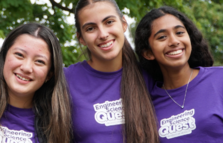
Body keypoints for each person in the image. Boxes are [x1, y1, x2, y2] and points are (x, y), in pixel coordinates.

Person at [135, 6, 223, 142]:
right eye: (162, 37)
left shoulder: (222, 80)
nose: (174, 41)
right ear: (148, 53)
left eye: (179, 33)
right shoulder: (146, 104)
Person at [0, 23, 72, 143]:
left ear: (49, 73)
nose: (26, 67)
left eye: (39, 61)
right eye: (19, 55)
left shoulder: (60, 124)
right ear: (4, 56)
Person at [64, 0, 159, 142]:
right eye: (90, 28)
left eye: (109, 22)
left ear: (123, 24)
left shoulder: (151, 75)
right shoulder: (65, 80)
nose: (102, 34)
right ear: (81, 38)